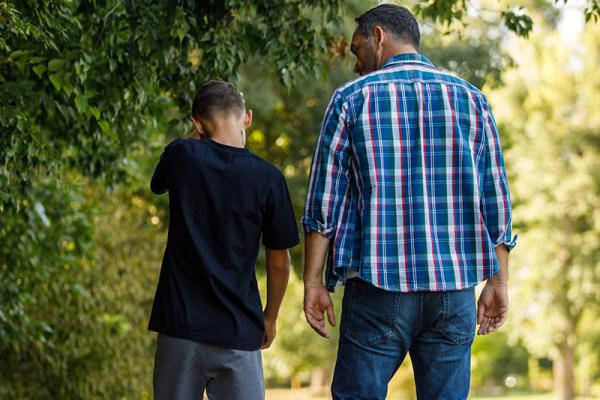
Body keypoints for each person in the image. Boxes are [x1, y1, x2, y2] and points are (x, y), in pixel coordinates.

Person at [302, 5, 517, 400]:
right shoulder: (471, 100)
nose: (355, 65)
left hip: (377, 287)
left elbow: (323, 206)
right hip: (454, 290)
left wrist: (314, 280)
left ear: (378, 37)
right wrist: (499, 280)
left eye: (356, 50)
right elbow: (496, 203)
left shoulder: (351, 99)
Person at [149, 80, 299, 400]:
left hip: (179, 328)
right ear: (247, 118)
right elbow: (278, 262)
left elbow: (157, 183)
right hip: (239, 332)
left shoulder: (182, 155)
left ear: (197, 123)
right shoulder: (269, 178)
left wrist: (199, 128)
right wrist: (269, 318)